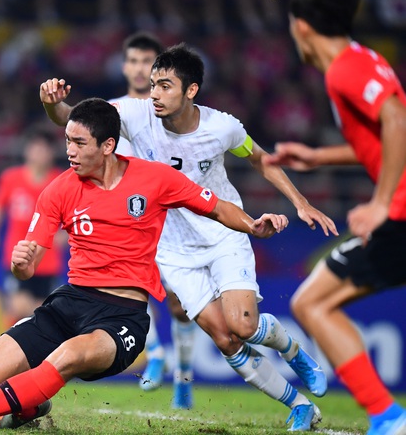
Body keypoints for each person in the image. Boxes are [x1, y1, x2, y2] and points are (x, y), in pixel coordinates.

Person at [0, 97, 289, 434]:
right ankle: (27, 405)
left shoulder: (155, 179)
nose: (70, 151)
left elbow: (215, 206)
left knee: (66, 357)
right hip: (70, 302)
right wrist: (21, 264)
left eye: (80, 142)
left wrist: (252, 225)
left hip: (122, 316)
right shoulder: (58, 190)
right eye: (67, 140)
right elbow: (28, 267)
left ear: (108, 145)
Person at [40, 43, 339, 431]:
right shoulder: (133, 113)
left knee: (243, 326)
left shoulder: (222, 127)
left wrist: (300, 202)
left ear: (191, 90)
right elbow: (71, 120)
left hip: (223, 232)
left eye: (165, 86)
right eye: (152, 85)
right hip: (172, 249)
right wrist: (51, 104)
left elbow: (259, 158)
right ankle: (299, 405)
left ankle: (293, 350)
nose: (155, 95)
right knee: (225, 339)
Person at [263, 0, 406, 434]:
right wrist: (317, 157)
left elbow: (398, 119)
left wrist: (382, 203)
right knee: (317, 303)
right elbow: (379, 137)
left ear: (302, 27)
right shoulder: (361, 59)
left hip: (400, 213)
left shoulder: (345, 69)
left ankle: (387, 416)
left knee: (311, 303)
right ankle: (387, 415)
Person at [110, 30, 198, 407]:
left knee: (179, 305)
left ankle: (184, 377)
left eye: (146, 62)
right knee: (124, 288)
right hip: (127, 217)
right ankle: (156, 353)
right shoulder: (112, 110)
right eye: (132, 61)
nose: (137, 68)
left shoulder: (170, 113)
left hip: (171, 219)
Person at [0, 129, 66, 326]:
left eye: (45, 149)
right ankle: (6, 349)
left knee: (42, 311)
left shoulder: (60, 180)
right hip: (17, 256)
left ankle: (33, 354)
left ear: (52, 153)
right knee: (18, 306)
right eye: (36, 148)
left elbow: (77, 210)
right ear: (27, 150)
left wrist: (66, 234)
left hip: (48, 259)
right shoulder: (11, 178)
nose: (40, 153)